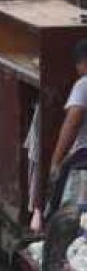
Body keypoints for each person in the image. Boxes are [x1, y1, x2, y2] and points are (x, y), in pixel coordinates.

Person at [51, 40, 87, 197]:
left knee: (67, 212)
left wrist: (56, 161)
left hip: (84, 156)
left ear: (83, 62)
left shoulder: (84, 84)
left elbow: (72, 124)